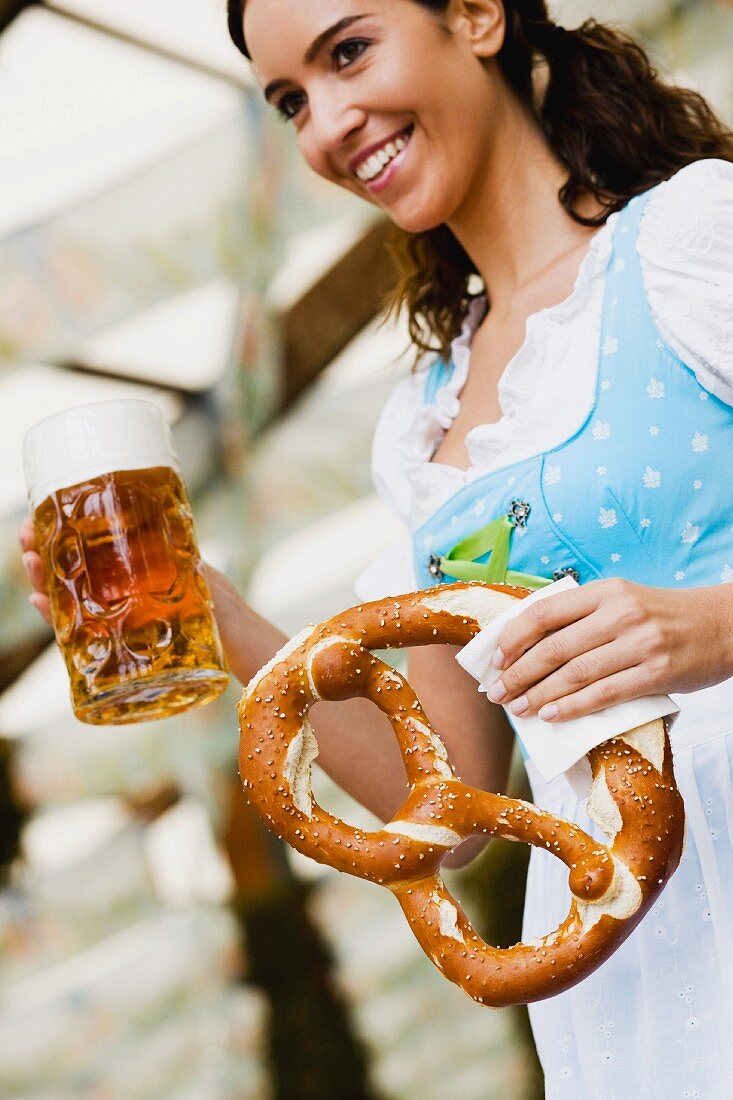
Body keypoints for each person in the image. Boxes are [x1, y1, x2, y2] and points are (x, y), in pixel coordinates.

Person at [20, 0, 733, 1095]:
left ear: (477, 17)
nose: (326, 124)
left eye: (349, 52)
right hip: (624, 957)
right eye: (291, 101)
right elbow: (443, 805)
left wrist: (707, 625)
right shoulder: (423, 424)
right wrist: (209, 608)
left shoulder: (692, 239)